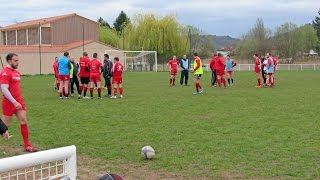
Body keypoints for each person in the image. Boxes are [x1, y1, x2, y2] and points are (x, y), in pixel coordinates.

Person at [0, 53, 37, 152]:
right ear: (9, 61)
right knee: (4, 127)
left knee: (23, 120)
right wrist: (14, 101)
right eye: (15, 61)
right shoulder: (5, 73)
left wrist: (17, 101)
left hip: (19, 100)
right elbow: (4, 89)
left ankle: (27, 145)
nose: (17, 62)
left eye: (18, 60)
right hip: (8, 103)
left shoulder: (16, 72)